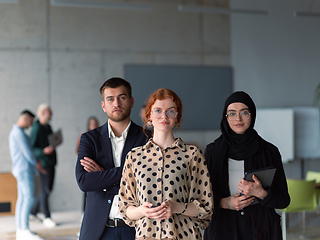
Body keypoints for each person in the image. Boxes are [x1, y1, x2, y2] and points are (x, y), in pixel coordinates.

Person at [118, 88, 213, 240]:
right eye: (158, 111)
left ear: (177, 117)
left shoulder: (192, 154)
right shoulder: (134, 157)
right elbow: (124, 208)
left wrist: (177, 207)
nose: (164, 116)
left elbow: (205, 207)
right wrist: (143, 211)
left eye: (170, 111)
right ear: (148, 116)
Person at [203, 91, 290, 240]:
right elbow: (201, 198)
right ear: (225, 117)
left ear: (252, 114)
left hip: (261, 231)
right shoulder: (212, 151)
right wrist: (225, 203)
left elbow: (283, 200)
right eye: (231, 113)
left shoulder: (269, 151)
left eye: (244, 112)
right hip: (223, 231)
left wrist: (261, 193)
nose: (238, 118)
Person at [76, 77, 151, 240]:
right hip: (99, 231)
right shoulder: (89, 139)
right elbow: (84, 182)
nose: (116, 104)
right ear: (103, 105)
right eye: (110, 99)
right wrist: (128, 174)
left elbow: (148, 184)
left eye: (122, 97)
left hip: (137, 230)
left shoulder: (147, 139)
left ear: (131, 101)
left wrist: (103, 176)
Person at [9, 110, 45, 240]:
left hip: (21, 170)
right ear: (25, 119)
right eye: (30, 121)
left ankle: (21, 229)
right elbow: (28, 153)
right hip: (24, 170)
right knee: (28, 198)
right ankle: (24, 230)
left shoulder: (16, 132)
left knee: (22, 199)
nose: (30, 125)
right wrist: (38, 165)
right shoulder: (18, 133)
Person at [30, 104, 58, 228]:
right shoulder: (37, 128)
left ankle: (33, 212)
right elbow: (31, 148)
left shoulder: (48, 127)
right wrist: (43, 151)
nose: (50, 114)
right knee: (45, 190)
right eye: (48, 112)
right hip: (42, 163)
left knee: (47, 189)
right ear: (42, 113)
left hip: (51, 161)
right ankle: (46, 216)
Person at [75, 116, 100, 212]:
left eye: (95, 123)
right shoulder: (84, 136)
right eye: (91, 124)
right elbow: (78, 151)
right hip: (87, 165)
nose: (93, 125)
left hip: (98, 165)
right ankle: (84, 211)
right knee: (86, 190)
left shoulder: (100, 135)